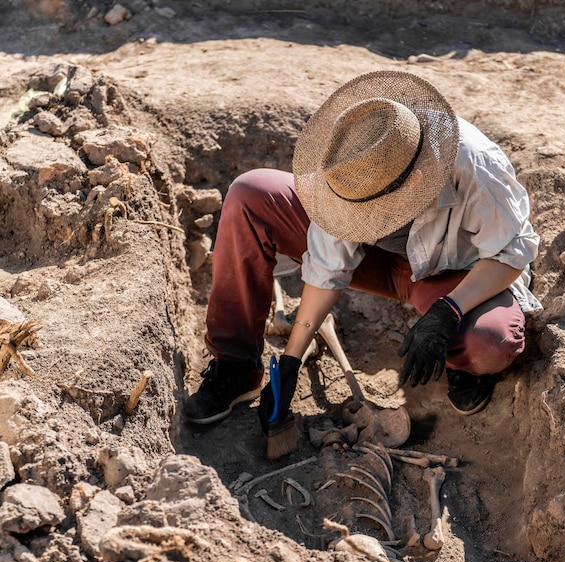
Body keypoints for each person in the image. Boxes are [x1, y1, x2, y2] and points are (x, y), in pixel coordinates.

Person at [185, 70, 541, 455]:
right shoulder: (351, 163)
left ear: (418, 177)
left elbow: (512, 253)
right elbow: (328, 266)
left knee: (489, 343)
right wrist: (290, 361)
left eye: (383, 209)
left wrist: (447, 311)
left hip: (457, 274)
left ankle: (461, 361)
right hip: (376, 264)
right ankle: (236, 368)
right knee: (250, 194)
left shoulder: (474, 166)